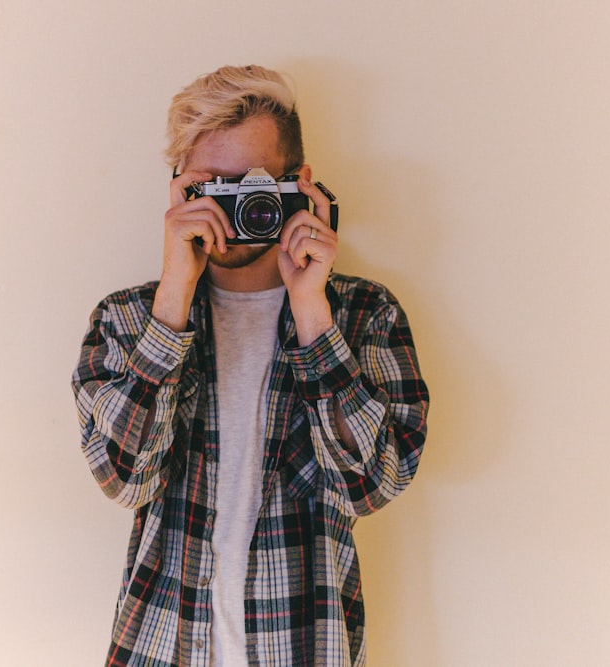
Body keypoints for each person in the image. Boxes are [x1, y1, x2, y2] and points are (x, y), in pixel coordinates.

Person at [72, 65, 429, 667]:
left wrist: (312, 309)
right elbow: (122, 478)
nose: (236, 209)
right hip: (161, 649)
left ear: (301, 185)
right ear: (180, 190)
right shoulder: (127, 320)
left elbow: (372, 485)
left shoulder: (365, 314)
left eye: (253, 186)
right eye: (214, 187)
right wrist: (173, 304)